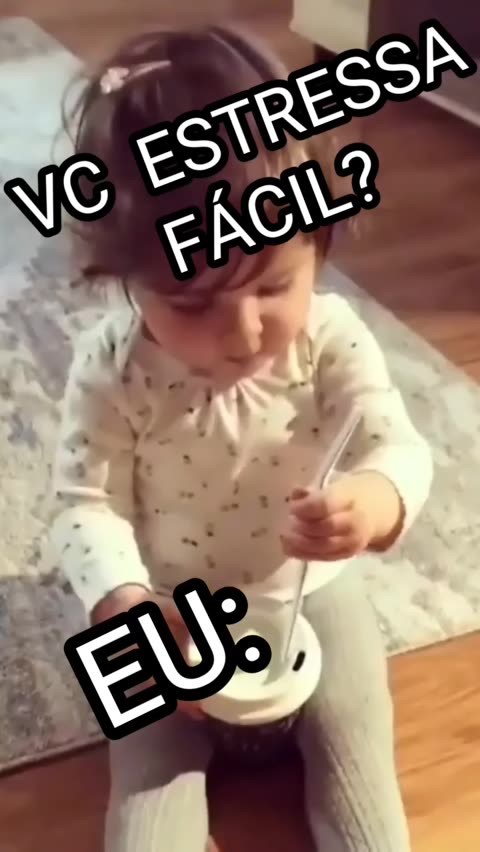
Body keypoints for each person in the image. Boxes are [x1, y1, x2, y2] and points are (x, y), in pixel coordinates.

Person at [51, 24, 433, 852]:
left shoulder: (331, 341)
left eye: (272, 285)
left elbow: (401, 449)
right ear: (127, 276)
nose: (245, 332)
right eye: (193, 303)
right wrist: (123, 604)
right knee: (145, 798)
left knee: (361, 760)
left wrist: (373, 502)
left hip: (312, 594)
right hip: (167, 611)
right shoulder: (112, 369)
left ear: (319, 241)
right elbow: (82, 504)